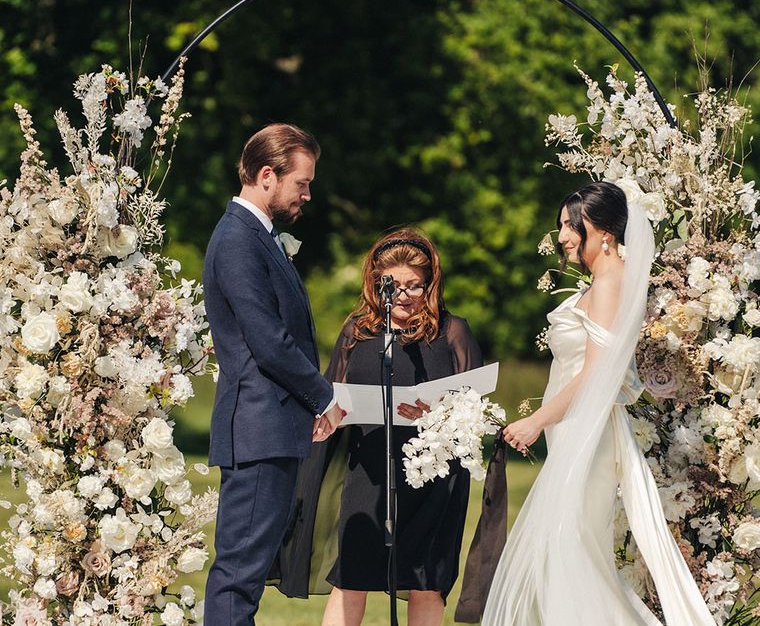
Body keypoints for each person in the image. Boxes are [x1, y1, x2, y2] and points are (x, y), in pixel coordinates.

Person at [482, 181, 715, 625]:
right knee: (570, 553)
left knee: (569, 552)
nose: (563, 237)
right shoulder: (602, 281)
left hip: (586, 434)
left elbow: (596, 374)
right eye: (562, 228)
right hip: (575, 431)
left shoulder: (609, 283)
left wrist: (536, 421)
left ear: (604, 231)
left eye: (572, 226)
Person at [272, 228, 482, 626]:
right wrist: (327, 416)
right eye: (391, 285)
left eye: (414, 286)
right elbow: (332, 394)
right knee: (353, 574)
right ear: (375, 283)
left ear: (430, 284)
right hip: (369, 469)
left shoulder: (453, 332)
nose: (402, 295)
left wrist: (440, 413)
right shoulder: (358, 332)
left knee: (426, 579)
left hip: (434, 479)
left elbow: (473, 406)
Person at [202, 123, 344, 625]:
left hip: (271, 430)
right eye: (301, 183)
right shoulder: (239, 239)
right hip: (258, 430)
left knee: (248, 570)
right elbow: (267, 340)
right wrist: (323, 397)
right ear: (267, 175)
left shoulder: (256, 236)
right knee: (239, 575)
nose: (307, 194)